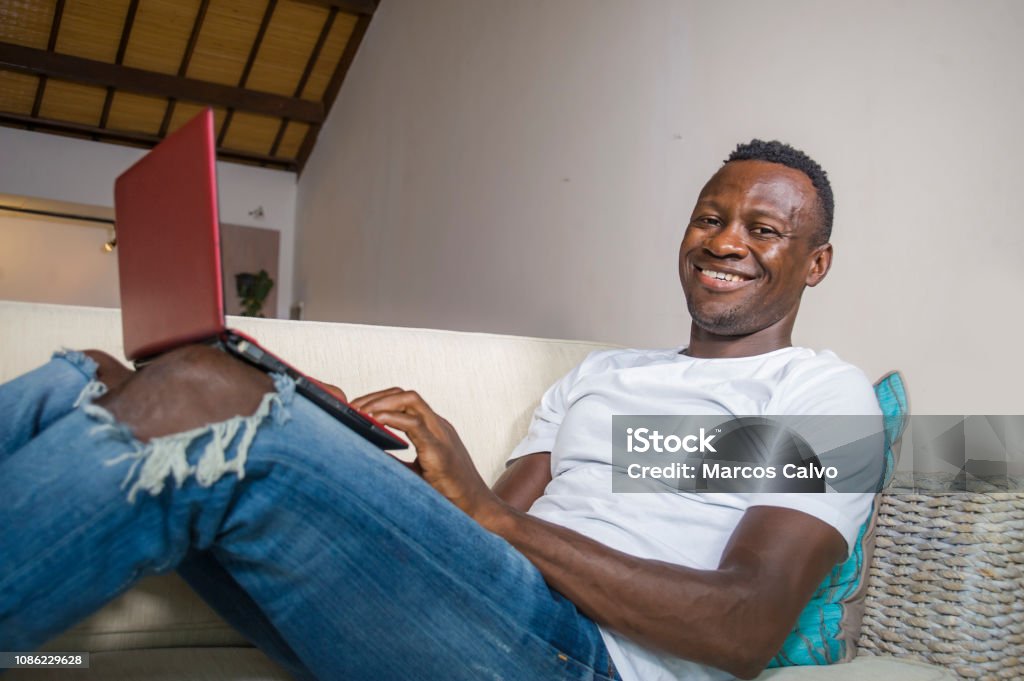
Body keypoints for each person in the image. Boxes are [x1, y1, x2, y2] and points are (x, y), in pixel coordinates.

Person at [0, 140, 882, 681]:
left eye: (764, 229)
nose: (726, 239)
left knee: (204, 392)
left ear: (816, 263)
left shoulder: (819, 394)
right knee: (95, 374)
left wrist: (488, 512)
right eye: (709, 217)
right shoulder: (603, 376)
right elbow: (481, 529)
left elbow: (743, 625)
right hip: (485, 610)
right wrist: (333, 449)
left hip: (590, 661)